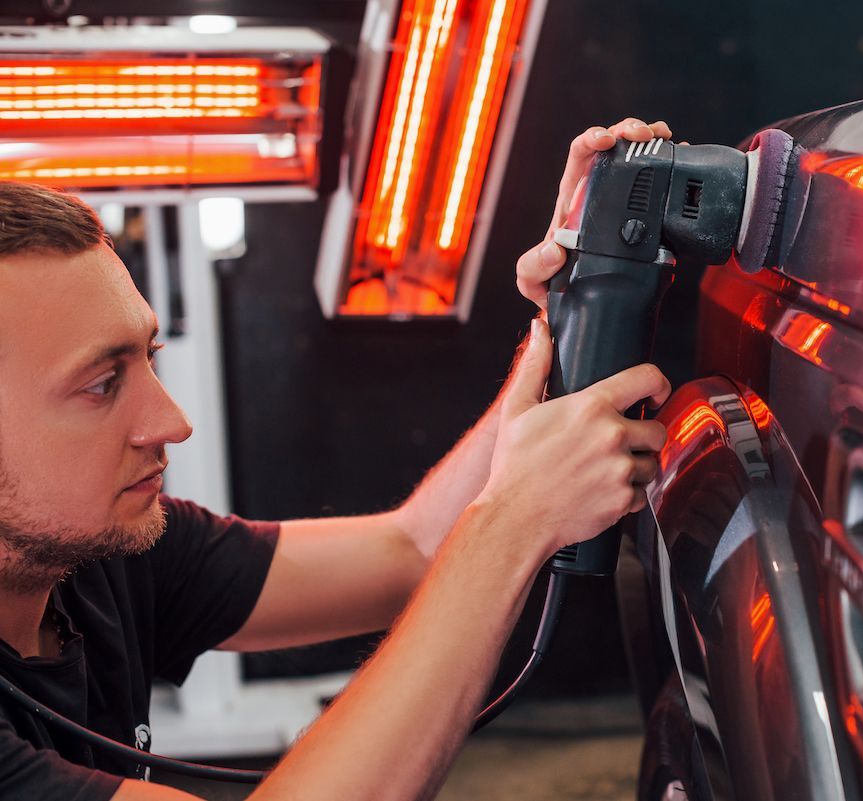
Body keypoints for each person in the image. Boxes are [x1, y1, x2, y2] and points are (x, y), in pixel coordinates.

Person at [0, 117, 674, 801]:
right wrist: (511, 523)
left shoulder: (105, 558)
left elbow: (411, 552)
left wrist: (570, 316)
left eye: (149, 357)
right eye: (101, 385)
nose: (172, 423)